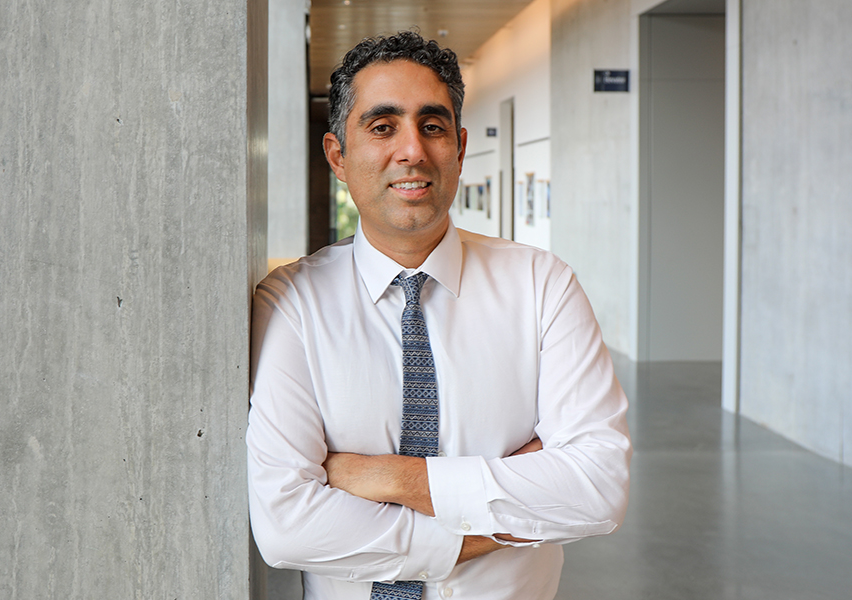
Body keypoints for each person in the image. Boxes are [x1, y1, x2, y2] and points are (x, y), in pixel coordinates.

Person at [247, 31, 631, 600]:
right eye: (383, 127)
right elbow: (286, 528)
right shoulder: (291, 304)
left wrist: (389, 478)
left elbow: (597, 489)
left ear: (459, 145)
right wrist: (497, 518)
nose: (413, 151)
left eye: (432, 126)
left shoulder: (540, 285)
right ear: (338, 157)